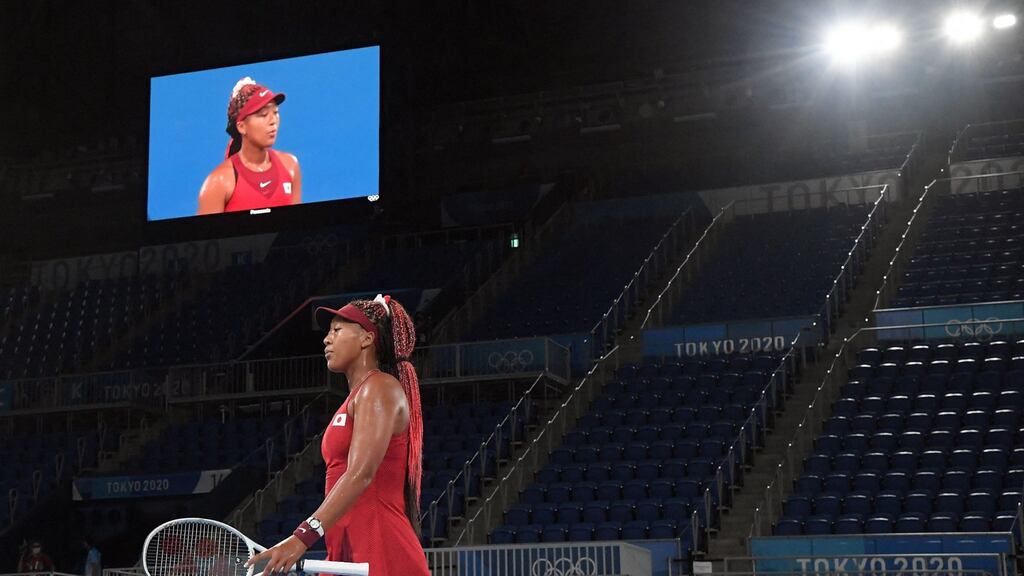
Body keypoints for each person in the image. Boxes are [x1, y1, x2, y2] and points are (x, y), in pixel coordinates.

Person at [248, 295, 429, 576]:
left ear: (367, 338)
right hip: (346, 552)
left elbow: (360, 474)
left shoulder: (379, 387)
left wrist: (301, 537)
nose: (326, 339)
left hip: (381, 549)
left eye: (337, 329)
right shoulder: (355, 398)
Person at [197, 77, 303, 214]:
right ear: (241, 127)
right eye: (263, 114)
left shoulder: (290, 166)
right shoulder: (219, 182)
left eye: (275, 112)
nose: (273, 121)